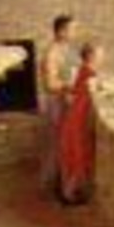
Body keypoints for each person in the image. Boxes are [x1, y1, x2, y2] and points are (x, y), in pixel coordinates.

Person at [57, 41, 103, 206]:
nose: (102, 57)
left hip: (74, 116)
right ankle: (70, 194)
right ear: (91, 56)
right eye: (99, 53)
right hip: (79, 118)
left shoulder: (82, 71)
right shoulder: (89, 74)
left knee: (75, 154)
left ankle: (70, 193)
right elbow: (87, 99)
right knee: (79, 155)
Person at [38, 14, 76, 199]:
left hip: (65, 103)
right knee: (55, 145)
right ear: (61, 31)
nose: (74, 33)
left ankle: (61, 188)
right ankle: (48, 189)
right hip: (55, 104)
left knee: (65, 145)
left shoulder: (66, 50)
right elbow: (50, 85)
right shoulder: (51, 53)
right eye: (71, 29)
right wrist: (70, 85)